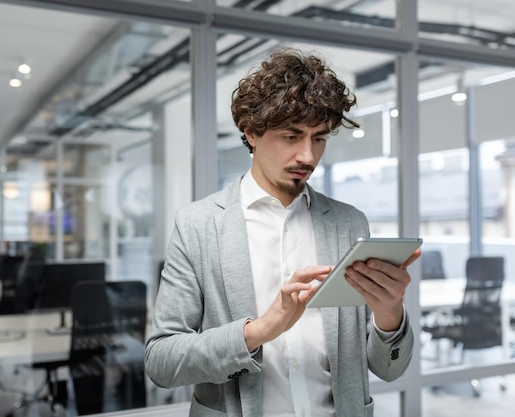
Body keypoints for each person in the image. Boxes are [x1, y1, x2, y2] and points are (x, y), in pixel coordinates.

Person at [145, 47, 420, 417]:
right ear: (251, 132)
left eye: (319, 138)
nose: (307, 156)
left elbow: (389, 369)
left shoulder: (349, 222)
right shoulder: (197, 225)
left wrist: (390, 315)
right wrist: (259, 330)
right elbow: (161, 361)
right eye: (291, 136)